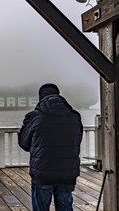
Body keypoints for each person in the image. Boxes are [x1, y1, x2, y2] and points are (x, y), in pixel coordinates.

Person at [18, 83, 83, 211]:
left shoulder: (34, 117)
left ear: (40, 97)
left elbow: (24, 143)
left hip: (43, 173)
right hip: (67, 173)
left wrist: (23, 129)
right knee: (65, 207)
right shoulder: (74, 116)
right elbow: (76, 141)